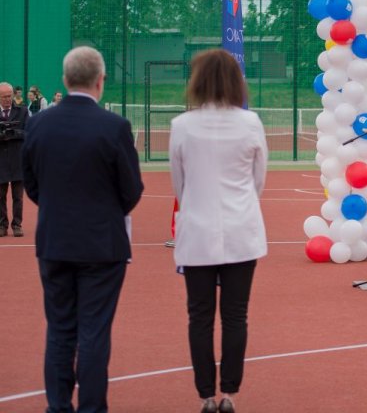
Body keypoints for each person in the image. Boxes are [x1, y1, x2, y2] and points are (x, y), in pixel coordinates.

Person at [22, 46, 144, 412]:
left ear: (65, 79)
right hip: (102, 246)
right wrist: (104, 212)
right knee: (93, 332)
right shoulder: (114, 126)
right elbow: (131, 190)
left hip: (55, 241)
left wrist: (60, 209)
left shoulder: (39, 123)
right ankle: (92, 407)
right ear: (100, 80)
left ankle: (58, 406)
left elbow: (31, 185)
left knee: (60, 329)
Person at [169, 49, 268, 413]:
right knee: (236, 315)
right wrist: (239, 204)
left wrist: (197, 205)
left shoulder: (182, 126)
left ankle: (205, 396)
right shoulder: (251, 123)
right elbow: (259, 180)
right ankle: (229, 393)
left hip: (196, 231)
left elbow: (178, 184)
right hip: (242, 230)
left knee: (199, 315)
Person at [0, 82, 29, 237]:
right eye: (4, 97)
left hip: (17, 159)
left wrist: (13, 133)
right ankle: (2, 225)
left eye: (9, 96)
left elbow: (29, 133)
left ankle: (17, 225)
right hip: (1, 161)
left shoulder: (23, 111)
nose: (7, 99)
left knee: (18, 196)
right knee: (0, 196)